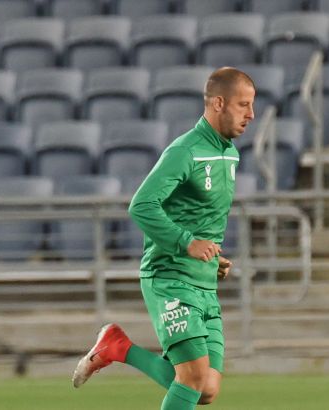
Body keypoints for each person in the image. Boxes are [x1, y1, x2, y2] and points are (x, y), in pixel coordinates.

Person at [72, 67, 255, 409]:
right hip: (170, 278)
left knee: (206, 390)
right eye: (243, 105)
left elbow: (200, 217)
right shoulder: (185, 151)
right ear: (219, 103)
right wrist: (187, 243)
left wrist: (212, 257)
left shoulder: (230, 154)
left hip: (203, 282)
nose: (251, 114)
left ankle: (117, 347)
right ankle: (116, 346)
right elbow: (142, 205)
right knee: (193, 378)